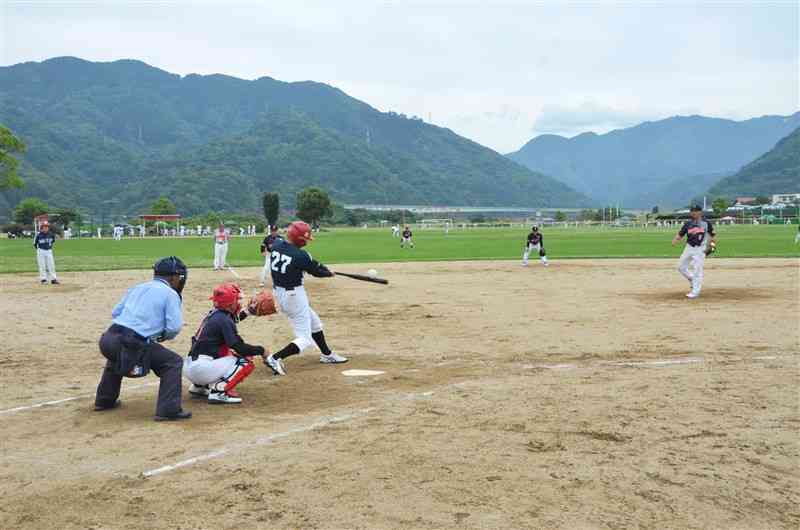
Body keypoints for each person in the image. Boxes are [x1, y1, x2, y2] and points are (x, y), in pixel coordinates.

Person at [94, 256, 191, 421]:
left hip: (108, 339)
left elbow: (116, 313)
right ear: (174, 277)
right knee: (172, 362)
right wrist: (161, 336)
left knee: (116, 355)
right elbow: (174, 327)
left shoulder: (138, 287)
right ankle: (168, 410)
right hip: (130, 343)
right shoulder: (170, 294)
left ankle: (104, 400)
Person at [264, 221, 348, 376]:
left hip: (280, 293)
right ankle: (275, 358)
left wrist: (322, 268)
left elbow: (312, 265)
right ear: (300, 239)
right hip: (294, 296)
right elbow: (316, 271)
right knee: (305, 339)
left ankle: (327, 354)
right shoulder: (301, 255)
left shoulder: (277, 245)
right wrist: (328, 273)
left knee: (315, 323)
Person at [184, 284, 266, 404]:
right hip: (201, 370)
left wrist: (248, 312)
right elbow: (239, 347)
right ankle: (219, 391)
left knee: (222, 351)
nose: (238, 303)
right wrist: (262, 350)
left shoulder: (215, 314)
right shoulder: (224, 320)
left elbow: (231, 321)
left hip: (190, 367)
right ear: (229, 304)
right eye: (236, 300)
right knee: (244, 359)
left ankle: (199, 387)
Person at [672, 205, 716, 299]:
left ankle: (695, 292)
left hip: (700, 249)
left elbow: (712, 236)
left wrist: (712, 247)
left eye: (695, 211)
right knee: (680, 266)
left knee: (697, 270)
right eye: (692, 211)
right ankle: (692, 279)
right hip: (689, 247)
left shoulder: (706, 223)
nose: (693, 213)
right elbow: (681, 234)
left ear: (700, 212)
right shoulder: (688, 223)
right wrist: (675, 240)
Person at [34, 220, 59, 284]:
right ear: (41, 228)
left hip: (49, 251)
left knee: (51, 265)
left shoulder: (51, 234)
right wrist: (39, 250)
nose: (46, 228)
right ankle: (43, 279)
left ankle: (53, 279)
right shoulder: (38, 235)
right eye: (44, 227)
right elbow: (35, 244)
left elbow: (53, 241)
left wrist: (49, 248)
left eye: (47, 226)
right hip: (41, 251)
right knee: (42, 265)